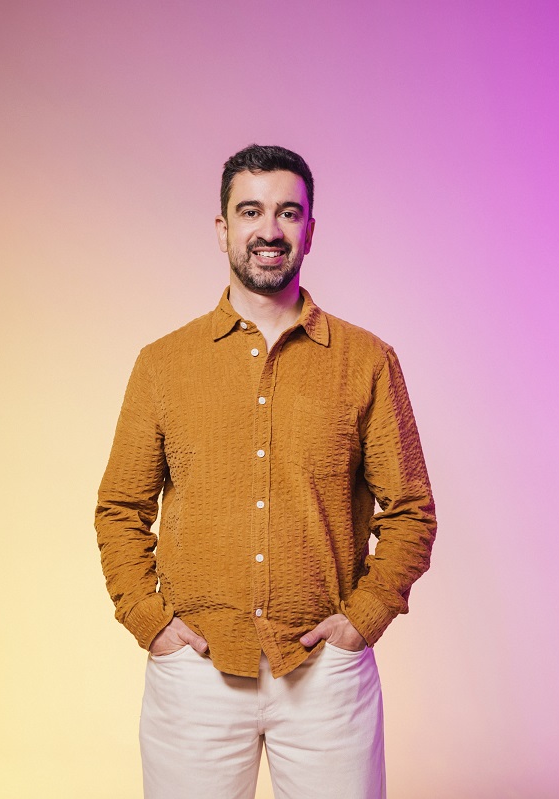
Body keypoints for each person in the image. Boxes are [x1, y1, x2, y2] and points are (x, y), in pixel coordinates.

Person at [95, 144, 436, 799]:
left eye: (287, 211)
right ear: (223, 228)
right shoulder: (163, 364)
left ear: (309, 228)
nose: (269, 228)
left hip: (325, 676)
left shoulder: (367, 361)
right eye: (250, 211)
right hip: (195, 674)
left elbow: (412, 509)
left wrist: (361, 620)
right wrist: (150, 620)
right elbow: (119, 508)